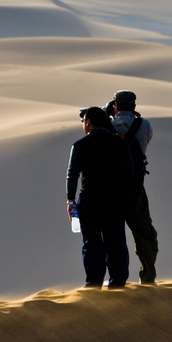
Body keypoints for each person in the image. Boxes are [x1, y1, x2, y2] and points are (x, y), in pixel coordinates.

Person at [66, 106, 133, 289]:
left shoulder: (79, 145)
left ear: (88, 122)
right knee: (116, 241)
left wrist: (70, 200)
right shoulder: (120, 143)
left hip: (89, 201)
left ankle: (94, 283)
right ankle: (118, 281)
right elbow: (129, 172)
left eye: (83, 122)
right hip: (114, 201)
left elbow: (72, 175)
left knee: (92, 243)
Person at [106, 90, 159, 286]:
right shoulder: (144, 125)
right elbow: (148, 138)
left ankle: (116, 279)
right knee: (145, 234)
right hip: (135, 188)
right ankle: (148, 277)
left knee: (114, 235)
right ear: (134, 107)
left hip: (110, 190)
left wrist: (106, 115)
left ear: (116, 105)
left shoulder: (107, 125)